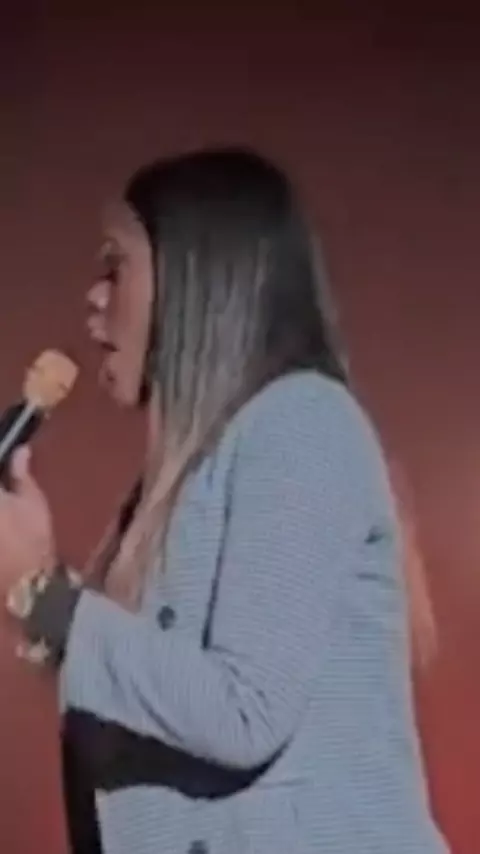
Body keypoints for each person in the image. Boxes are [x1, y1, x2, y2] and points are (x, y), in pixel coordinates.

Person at [0, 148, 448, 854]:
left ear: (198, 279)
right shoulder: (168, 491)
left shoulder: (301, 421)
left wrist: (42, 594)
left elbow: (246, 706)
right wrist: (38, 597)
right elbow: (148, 707)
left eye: (115, 267)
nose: (93, 296)